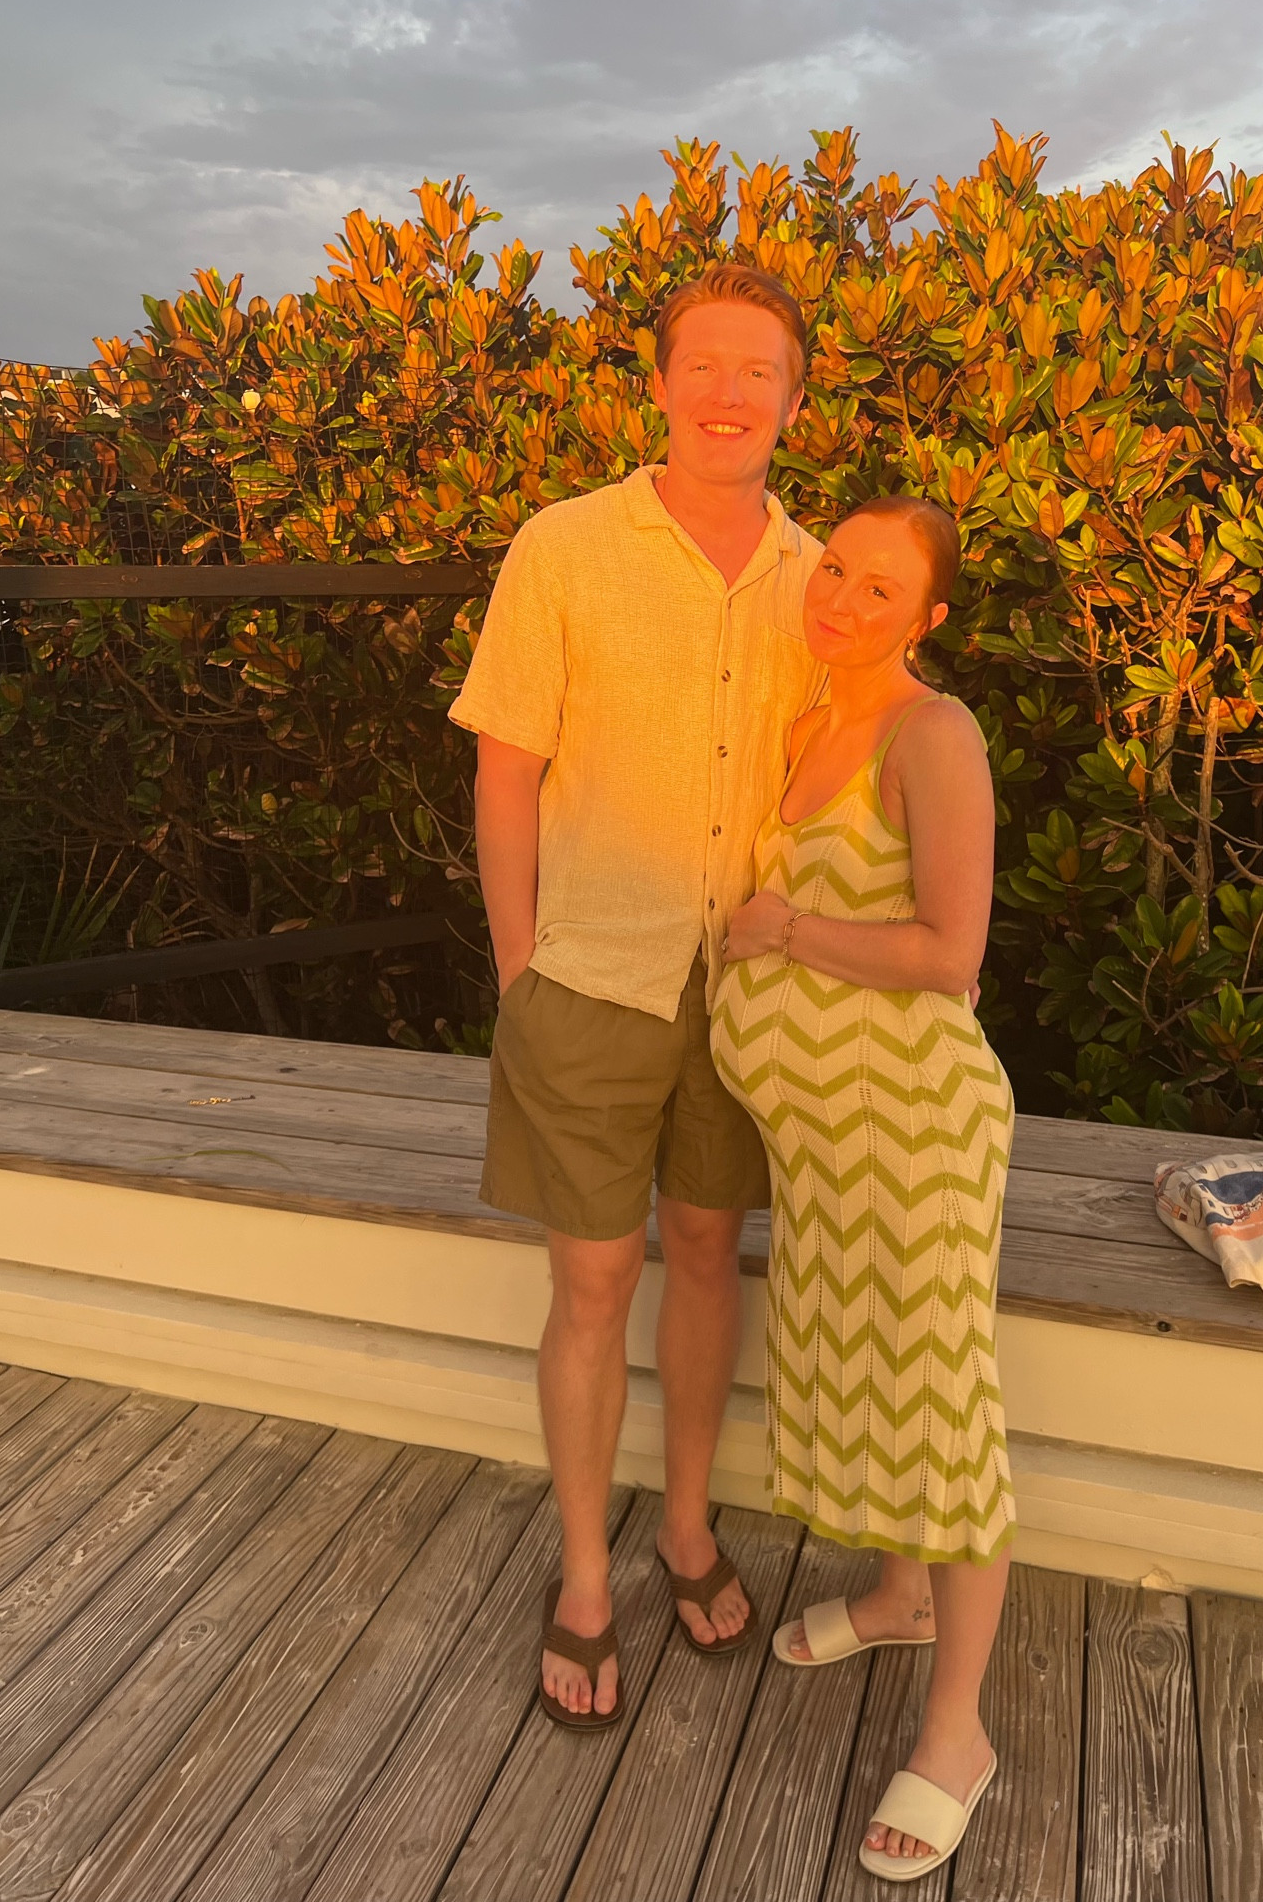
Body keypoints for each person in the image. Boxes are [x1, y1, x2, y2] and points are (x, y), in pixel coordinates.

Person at [449, 264, 824, 1727]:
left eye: (761, 372)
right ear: (659, 384)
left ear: (796, 400)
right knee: (594, 1283)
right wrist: (518, 958)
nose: (731, 394)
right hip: (589, 980)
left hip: (745, 997)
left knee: (709, 1258)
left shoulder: (818, 579)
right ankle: (587, 1575)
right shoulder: (565, 547)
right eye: (706, 366)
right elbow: (505, 763)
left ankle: (685, 1526)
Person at [712, 496, 1014, 1882]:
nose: (839, 597)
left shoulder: (929, 735)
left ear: (926, 617)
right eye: (831, 567)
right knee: (860, 1371)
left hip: (915, 1129)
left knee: (941, 1404)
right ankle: (899, 1595)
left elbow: (949, 951)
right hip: (826, 1144)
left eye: (878, 587)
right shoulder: (798, 717)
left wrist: (784, 930)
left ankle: (956, 1730)